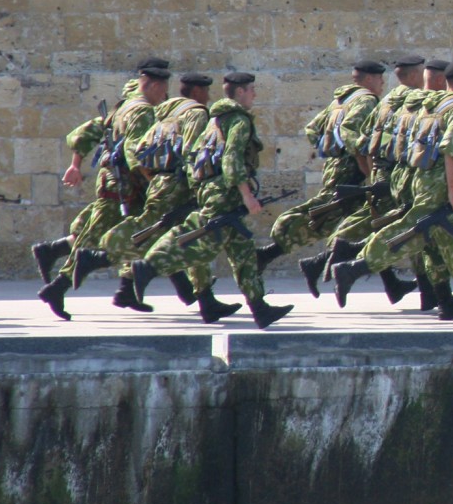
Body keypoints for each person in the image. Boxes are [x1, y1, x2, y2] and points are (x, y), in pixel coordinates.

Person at [331, 61, 453, 322]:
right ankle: (353, 269)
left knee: (440, 241)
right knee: (415, 232)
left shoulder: (430, 104)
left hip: (416, 177)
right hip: (436, 183)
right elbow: (450, 150)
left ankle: (452, 300)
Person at [131, 72, 293, 329]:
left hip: (213, 190)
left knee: (243, 253)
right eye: (251, 89)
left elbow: (195, 158)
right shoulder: (238, 120)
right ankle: (147, 267)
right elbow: (232, 159)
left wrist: (202, 191)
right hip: (225, 195)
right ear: (240, 92)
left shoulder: (215, 120)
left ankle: (259, 308)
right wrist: (247, 195)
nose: (255, 94)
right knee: (197, 239)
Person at [70, 72, 219, 313]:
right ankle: (91, 262)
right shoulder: (159, 111)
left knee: (180, 234)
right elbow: (142, 151)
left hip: (153, 182)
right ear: (197, 92)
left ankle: (200, 297)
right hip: (150, 184)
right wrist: (157, 180)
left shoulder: (164, 109)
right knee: (152, 231)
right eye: (206, 92)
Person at [36, 59, 170, 320]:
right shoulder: (141, 111)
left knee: (132, 236)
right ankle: (57, 288)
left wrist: (76, 165)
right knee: (91, 240)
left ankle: (126, 290)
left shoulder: (125, 106)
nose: (166, 95)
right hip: (121, 186)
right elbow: (136, 152)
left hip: (125, 186)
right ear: (153, 85)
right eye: (164, 88)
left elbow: (85, 134)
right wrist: (153, 180)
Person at [254, 59, 387, 273]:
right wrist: (361, 159)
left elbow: (312, 129)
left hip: (337, 168)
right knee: (332, 217)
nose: (383, 83)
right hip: (351, 173)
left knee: (366, 219)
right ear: (369, 78)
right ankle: (277, 249)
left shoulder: (341, 101)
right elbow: (349, 131)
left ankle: (321, 265)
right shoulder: (366, 100)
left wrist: (332, 151)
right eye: (380, 78)